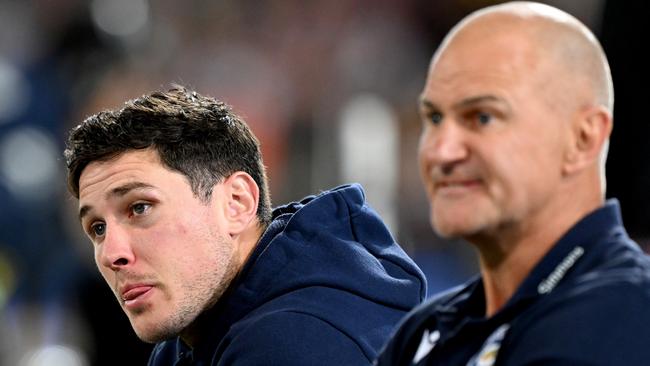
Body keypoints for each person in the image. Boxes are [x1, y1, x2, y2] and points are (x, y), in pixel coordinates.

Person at [64, 85, 426, 365]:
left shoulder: (294, 344)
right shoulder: (189, 336)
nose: (112, 253)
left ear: (236, 203)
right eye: (97, 228)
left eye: (139, 208)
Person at [376, 2, 650, 365]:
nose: (442, 150)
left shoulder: (623, 314)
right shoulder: (422, 332)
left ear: (583, 138)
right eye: (435, 117)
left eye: (483, 117)